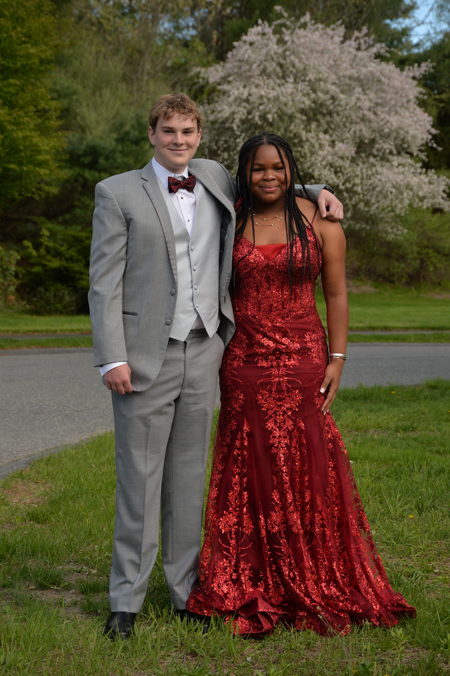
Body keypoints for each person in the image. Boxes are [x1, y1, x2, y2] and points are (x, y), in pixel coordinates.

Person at [88, 94, 343, 639]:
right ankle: (125, 601)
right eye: (169, 131)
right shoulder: (117, 192)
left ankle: (186, 593)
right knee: (140, 480)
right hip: (144, 356)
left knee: (187, 477)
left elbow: (269, 180)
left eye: (187, 132)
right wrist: (112, 356)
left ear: (199, 136)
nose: (178, 140)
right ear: (152, 134)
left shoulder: (212, 177)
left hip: (207, 350)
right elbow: (103, 283)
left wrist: (318, 189)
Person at [186, 133, 416, 636]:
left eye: (279, 167)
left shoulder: (321, 221)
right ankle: (250, 575)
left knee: (307, 460)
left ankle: (313, 569)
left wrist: (338, 358)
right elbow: (196, 171)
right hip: (244, 360)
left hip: (305, 358)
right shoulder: (228, 218)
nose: (269, 176)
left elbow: (336, 294)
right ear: (244, 174)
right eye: (258, 168)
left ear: (292, 170)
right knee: (250, 463)